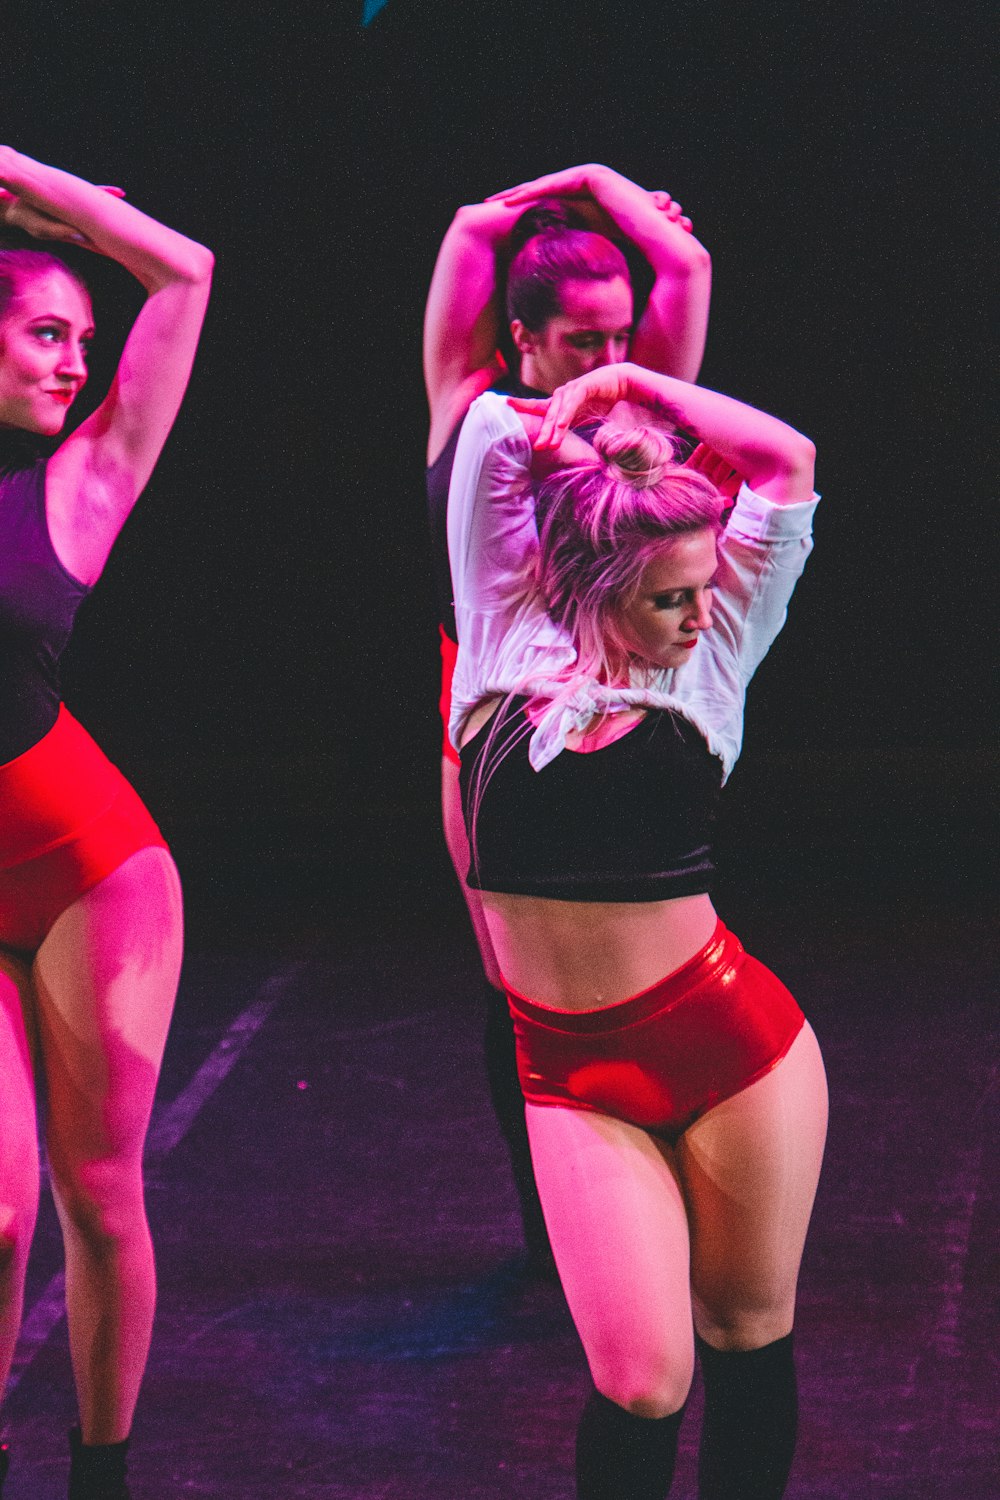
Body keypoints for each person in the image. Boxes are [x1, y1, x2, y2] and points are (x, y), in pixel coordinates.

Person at [447, 360, 828, 1499]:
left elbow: (788, 463)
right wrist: (584, 422)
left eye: (707, 589)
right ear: (590, 585)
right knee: (641, 1381)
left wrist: (627, 378)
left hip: (736, 1051)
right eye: (670, 596)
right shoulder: (501, 634)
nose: (703, 613)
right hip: (569, 1071)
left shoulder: (710, 667)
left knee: (745, 1337)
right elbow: (487, 428)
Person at [423, 164, 712, 1268]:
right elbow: (469, 221)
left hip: (626, 719)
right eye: (582, 341)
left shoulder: (638, 415)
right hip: (489, 726)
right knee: (518, 980)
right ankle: (554, 1220)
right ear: (521, 337)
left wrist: (606, 191)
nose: (609, 361)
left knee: (652, 950)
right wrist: (569, 195)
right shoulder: (470, 410)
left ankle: (668, 1174)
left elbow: (684, 265)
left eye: (619, 336)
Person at [0, 147, 212, 1499]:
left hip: (92, 875)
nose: (74, 360)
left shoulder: (74, 488)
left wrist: (24, 181)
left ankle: (99, 1476)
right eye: (42, 330)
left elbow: (183, 270)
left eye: (84, 337)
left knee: (94, 1191)